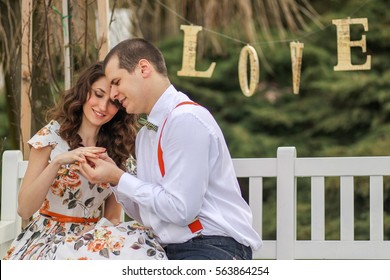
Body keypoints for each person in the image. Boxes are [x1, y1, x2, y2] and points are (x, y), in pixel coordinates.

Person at [79, 38, 262, 260]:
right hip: (169, 247)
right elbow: (150, 214)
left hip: (214, 246)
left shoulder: (185, 120)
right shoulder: (146, 133)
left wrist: (120, 177)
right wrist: (116, 181)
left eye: (117, 82)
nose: (114, 94)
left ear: (143, 68)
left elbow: (181, 210)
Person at [3, 61, 166, 260]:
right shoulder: (51, 137)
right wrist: (57, 162)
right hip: (47, 239)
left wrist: (91, 237)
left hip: (92, 240)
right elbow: (24, 209)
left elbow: (113, 217)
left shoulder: (117, 150)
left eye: (113, 102)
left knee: (144, 249)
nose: (103, 106)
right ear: (84, 91)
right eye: (98, 94)